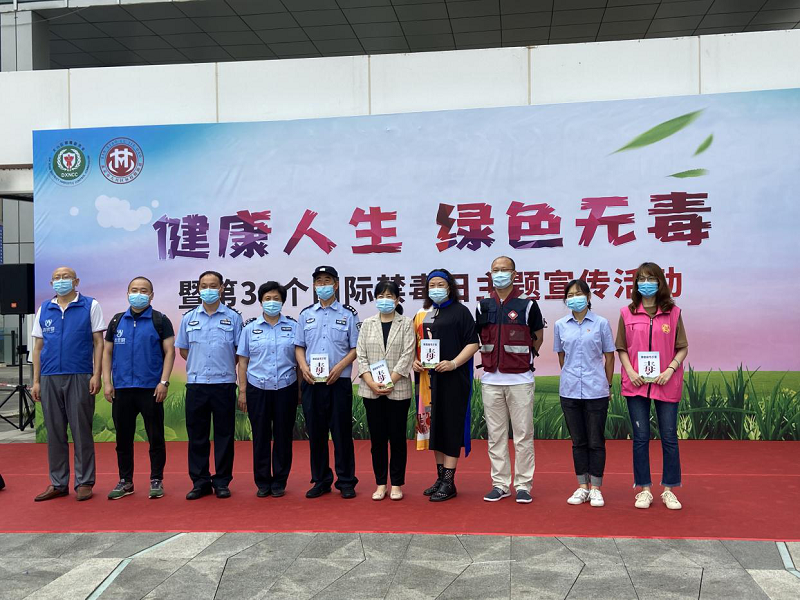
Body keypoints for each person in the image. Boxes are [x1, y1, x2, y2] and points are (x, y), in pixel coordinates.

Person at [617, 262, 688, 510]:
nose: (646, 283)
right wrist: (630, 371)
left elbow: (682, 348)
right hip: (636, 384)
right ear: (636, 283)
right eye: (641, 279)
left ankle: (669, 489)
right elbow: (621, 348)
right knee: (640, 437)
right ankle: (644, 489)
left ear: (660, 282)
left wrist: (670, 370)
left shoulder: (673, 312)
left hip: (665, 383)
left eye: (651, 279)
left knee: (669, 436)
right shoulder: (627, 313)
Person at [31, 266, 106, 502]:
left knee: (81, 431)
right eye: (57, 278)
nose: (61, 281)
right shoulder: (45, 308)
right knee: (54, 432)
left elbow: (99, 342)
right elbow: (38, 347)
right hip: (49, 376)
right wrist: (36, 381)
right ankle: (58, 482)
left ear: (76, 281)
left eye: (66, 277)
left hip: (80, 374)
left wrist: (96, 375)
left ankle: (84, 482)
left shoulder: (90, 305)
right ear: (51, 283)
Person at [476, 256, 544, 504]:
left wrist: (520, 359)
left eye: (504, 270)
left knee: (523, 435)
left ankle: (523, 485)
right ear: (490, 274)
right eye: (495, 270)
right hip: (491, 380)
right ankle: (500, 484)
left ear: (515, 274)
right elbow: (479, 336)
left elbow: (538, 337)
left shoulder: (528, 305)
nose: (500, 274)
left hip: (520, 380)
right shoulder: (483, 305)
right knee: (496, 435)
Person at [102, 276, 175, 500]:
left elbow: (170, 352)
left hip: (150, 389)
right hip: (122, 389)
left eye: (144, 290)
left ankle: (156, 479)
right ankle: (125, 481)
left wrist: (163, 382)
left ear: (151, 295)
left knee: (155, 437)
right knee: (123, 439)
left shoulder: (160, 320)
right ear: (127, 294)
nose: (139, 294)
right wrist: (107, 382)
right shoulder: (116, 321)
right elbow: (107, 352)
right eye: (134, 290)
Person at [175, 271, 243, 500]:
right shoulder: (189, 318)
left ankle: (222, 481)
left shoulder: (233, 317)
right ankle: (200, 482)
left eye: (213, 285)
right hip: (197, 385)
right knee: (197, 436)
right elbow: (184, 350)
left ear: (222, 288)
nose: (208, 289)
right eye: (204, 286)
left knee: (224, 435)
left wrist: (222, 365)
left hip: (224, 384)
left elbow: (239, 352)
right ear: (198, 289)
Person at [413, 269, 479, 502]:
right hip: (430, 381)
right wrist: (415, 360)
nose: (436, 289)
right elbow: (418, 343)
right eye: (432, 285)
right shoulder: (426, 314)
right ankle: (440, 478)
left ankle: (449, 482)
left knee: (450, 428)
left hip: (453, 379)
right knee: (436, 428)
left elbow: (473, 343)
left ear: (450, 287)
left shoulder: (461, 312)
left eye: (440, 284)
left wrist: (453, 363)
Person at [295, 266, 360, 499]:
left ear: (336, 284)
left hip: (338, 382)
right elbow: (299, 346)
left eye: (327, 281)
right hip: (312, 382)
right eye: (319, 281)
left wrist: (340, 367)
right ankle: (321, 480)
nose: (323, 285)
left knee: (341, 432)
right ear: (314, 286)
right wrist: (303, 368)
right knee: (316, 433)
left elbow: (356, 348)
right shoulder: (306, 314)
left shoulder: (348, 314)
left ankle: (346, 481)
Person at [553, 279, 615, 508]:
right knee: (578, 441)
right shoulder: (560, 325)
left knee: (596, 441)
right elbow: (562, 356)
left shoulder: (601, 323)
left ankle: (596, 488)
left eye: (579, 294)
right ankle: (582, 486)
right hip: (569, 391)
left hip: (596, 390)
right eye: (570, 295)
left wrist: (607, 385)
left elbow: (609, 356)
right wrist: (571, 376)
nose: (575, 298)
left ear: (588, 297)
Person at [237, 281, 299, 498]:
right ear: (261, 302)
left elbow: (299, 359)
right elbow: (243, 362)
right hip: (257, 388)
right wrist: (242, 391)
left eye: (276, 299)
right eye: (267, 299)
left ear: (283, 302)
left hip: (286, 387)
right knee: (261, 436)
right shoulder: (249, 329)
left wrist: (299, 390)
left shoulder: (293, 327)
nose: (272, 303)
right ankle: (262, 482)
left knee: (283, 436)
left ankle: (280, 481)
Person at [356, 280, 416, 501]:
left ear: (397, 300)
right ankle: (381, 483)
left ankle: (397, 484)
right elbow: (361, 355)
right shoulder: (367, 324)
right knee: (378, 440)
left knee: (397, 439)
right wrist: (371, 382)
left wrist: (390, 381)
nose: (384, 300)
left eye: (389, 296)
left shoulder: (406, 323)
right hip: (371, 390)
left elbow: (408, 355)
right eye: (380, 296)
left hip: (398, 389)